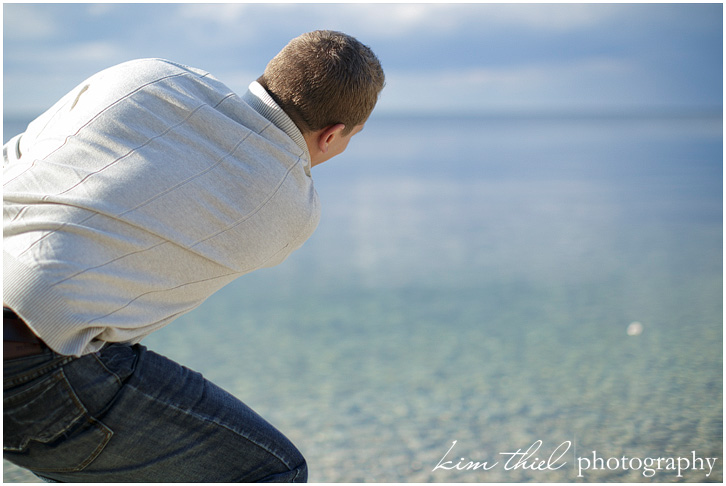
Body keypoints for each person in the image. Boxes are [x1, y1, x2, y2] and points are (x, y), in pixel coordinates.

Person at [3, 30, 385, 482]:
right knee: (272, 472)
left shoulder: (145, 75)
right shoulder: (292, 210)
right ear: (334, 134)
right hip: (25, 365)